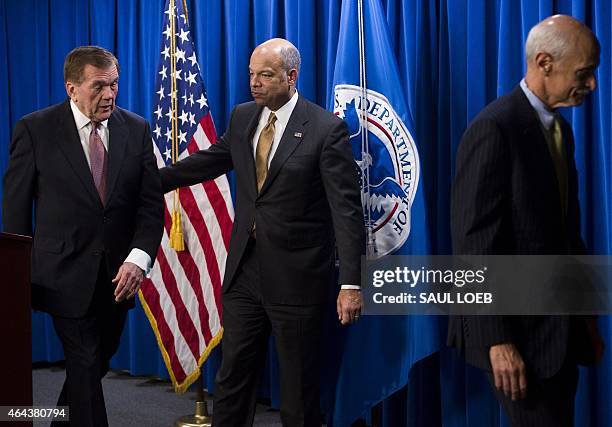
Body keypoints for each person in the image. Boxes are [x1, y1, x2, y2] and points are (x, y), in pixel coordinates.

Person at [160, 38, 365, 426]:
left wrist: (351, 283)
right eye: (252, 74)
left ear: (291, 76)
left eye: (265, 75)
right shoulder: (243, 116)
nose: (254, 83)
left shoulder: (325, 129)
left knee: (298, 390)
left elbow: (346, 211)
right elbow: (215, 159)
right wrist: (155, 181)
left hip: (297, 276)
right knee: (233, 377)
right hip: (245, 272)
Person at [448, 15, 604, 426]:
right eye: (584, 74)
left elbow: (567, 236)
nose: (591, 86)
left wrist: (586, 315)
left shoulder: (560, 130)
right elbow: (473, 247)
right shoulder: (494, 128)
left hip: (560, 332)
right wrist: (497, 340)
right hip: (515, 335)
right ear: (544, 62)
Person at [2, 46, 164, 426]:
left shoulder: (136, 129)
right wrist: (16, 279)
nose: (109, 95)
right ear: (71, 88)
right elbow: (15, 211)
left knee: (93, 364)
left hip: (118, 278)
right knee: (85, 359)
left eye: (114, 85)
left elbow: (150, 206)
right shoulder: (35, 129)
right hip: (60, 274)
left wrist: (138, 259)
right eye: (99, 86)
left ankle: (57, 420)